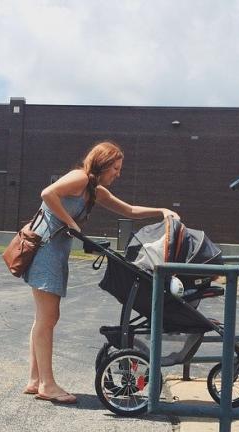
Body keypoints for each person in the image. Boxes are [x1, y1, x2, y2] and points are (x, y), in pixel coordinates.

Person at [22, 141, 180, 404]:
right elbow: (47, 193)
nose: (118, 173)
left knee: (44, 318)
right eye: (115, 168)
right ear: (103, 164)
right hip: (46, 251)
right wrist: (71, 223)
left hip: (54, 252)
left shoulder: (94, 190)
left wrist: (161, 211)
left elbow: (129, 210)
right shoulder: (80, 178)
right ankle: (47, 385)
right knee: (47, 318)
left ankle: (35, 379)